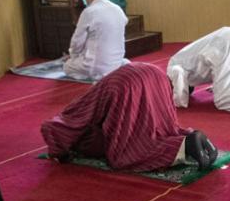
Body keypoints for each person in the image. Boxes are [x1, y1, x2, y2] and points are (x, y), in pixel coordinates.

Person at [41, 62, 218, 171]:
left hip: (125, 84)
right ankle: (194, 139)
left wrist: (59, 152)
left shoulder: (75, 110)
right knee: (161, 128)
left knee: (128, 152)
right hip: (153, 73)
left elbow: (57, 128)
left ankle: (185, 145)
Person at [63, 0, 129, 82]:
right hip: (116, 61)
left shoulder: (89, 11)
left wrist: (73, 56)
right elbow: (124, 22)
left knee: (67, 67)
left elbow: (77, 40)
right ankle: (111, 70)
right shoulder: (117, 8)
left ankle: (96, 76)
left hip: (95, 65)